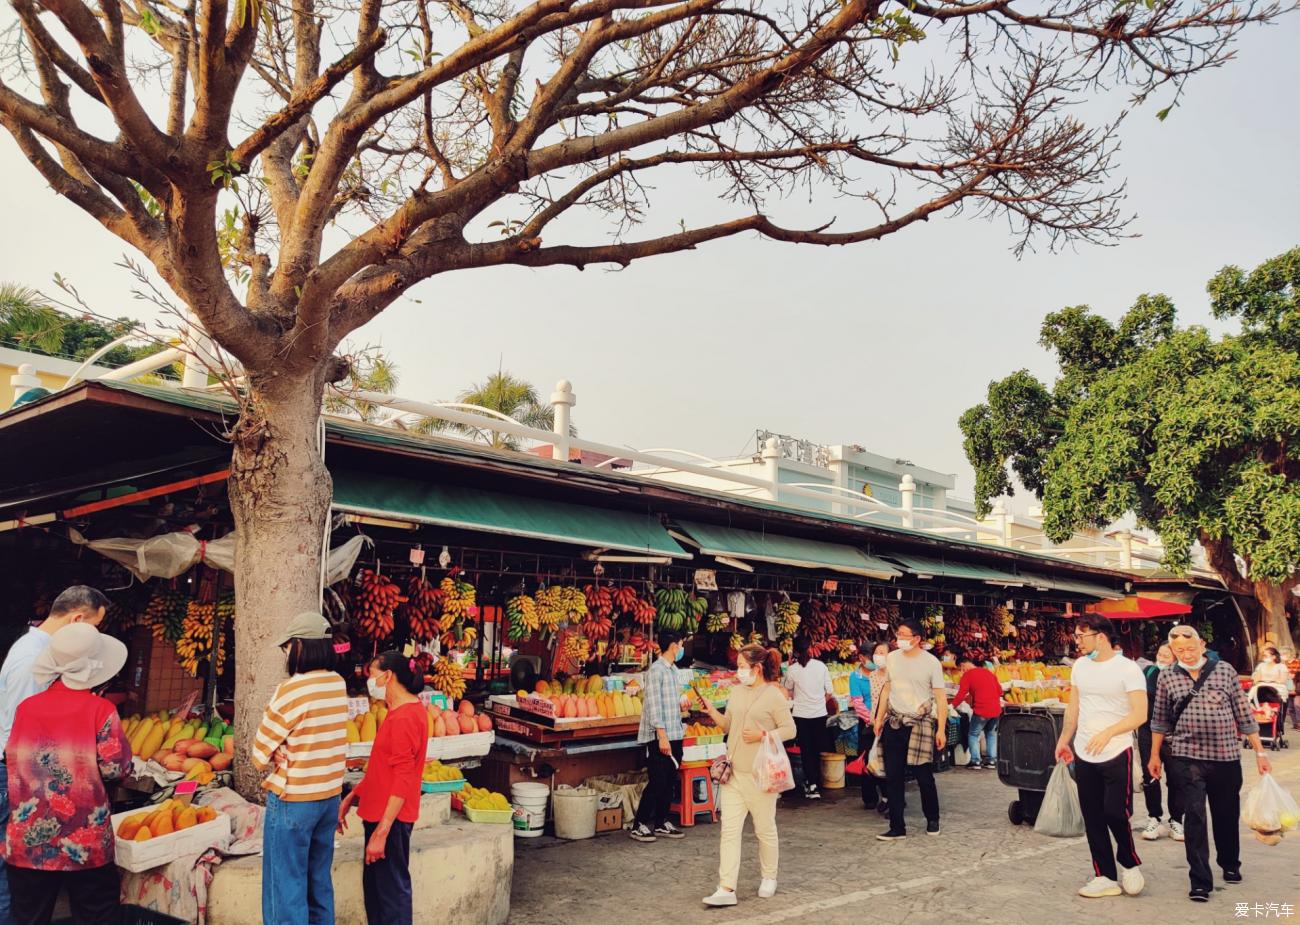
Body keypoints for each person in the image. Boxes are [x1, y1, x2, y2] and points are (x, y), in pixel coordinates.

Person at [5, 622, 129, 925]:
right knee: (95, 916)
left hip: (27, 840)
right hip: (85, 840)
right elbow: (116, 768)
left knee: (28, 918)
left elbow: (13, 758)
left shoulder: (27, 708)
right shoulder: (101, 710)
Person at [1150, 626, 1270, 903]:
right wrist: (1154, 756)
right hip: (1186, 756)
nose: (1186, 654)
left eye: (1191, 648)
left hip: (1226, 755)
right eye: (1179, 650)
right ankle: (1200, 880)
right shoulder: (1167, 676)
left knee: (1226, 813)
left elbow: (1244, 714)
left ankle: (1230, 863)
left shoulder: (1224, 670)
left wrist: (1260, 752)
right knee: (1194, 816)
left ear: (1202, 644)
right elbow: (1159, 720)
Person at [251, 613, 350, 925]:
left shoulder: (291, 689)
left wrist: (279, 748)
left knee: (286, 885)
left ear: (298, 647)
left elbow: (259, 749)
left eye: (287, 647)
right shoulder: (338, 684)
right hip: (329, 798)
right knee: (318, 881)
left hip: (294, 800)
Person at [1054, 613, 1147, 899]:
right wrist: (1064, 740)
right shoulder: (1080, 666)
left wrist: (1109, 732)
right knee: (1092, 816)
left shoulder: (1128, 669)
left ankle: (1129, 862)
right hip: (1083, 751)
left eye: (1081, 636)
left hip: (1116, 750)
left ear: (1101, 637)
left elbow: (1140, 714)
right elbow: (1074, 706)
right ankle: (1104, 875)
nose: (1077, 642)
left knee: (1115, 812)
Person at [694, 645, 796, 907]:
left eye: (741, 666)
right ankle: (726, 887)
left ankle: (769, 876)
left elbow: (790, 729)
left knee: (764, 829)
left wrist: (764, 735)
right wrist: (711, 712)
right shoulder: (736, 691)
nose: (738, 672)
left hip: (761, 774)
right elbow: (729, 725)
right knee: (729, 831)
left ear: (757, 668)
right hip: (734, 772)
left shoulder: (774, 695)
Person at [338, 651, 427, 925]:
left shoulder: (405, 718)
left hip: (392, 819)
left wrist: (382, 831)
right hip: (380, 814)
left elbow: (403, 777)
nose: (370, 681)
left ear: (388, 676)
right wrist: (353, 795)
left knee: (391, 896)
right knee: (377, 894)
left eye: (372, 675)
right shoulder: (399, 712)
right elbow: (382, 770)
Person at [873, 619, 947, 840]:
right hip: (894, 721)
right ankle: (897, 826)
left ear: (917, 639)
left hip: (920, 724)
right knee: (893, 776)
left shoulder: (931, 662)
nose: (900, 638)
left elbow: (941, 698)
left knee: (923, 774)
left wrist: (941, 729)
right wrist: (879, 718)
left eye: (905, 635)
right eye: (898, 634)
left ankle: (932, 818)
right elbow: (887, 689)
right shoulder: (892, 658)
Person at [629, 630, 688, 842]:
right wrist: (661, 736)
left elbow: (671, 700)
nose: (682, 648)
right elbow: (654, 706)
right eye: (681, 644)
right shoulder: (656, 671)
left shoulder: (673, 671)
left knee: (670, 780)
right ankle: (640, 824)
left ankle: (662, 821)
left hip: (675, 731)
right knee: (657, 781)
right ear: (673, 646)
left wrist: (683, 703)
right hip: (660, 736)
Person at [1138, 644, 1183, 842]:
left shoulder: (1181, 676)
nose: (1162, 657)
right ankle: (1154, 817)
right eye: (1160, 654)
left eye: (1167, 655)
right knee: (1150, 776)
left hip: (1174, 733)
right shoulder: (1148, 671)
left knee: (1176, 777)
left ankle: (1176, 820)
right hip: (1148, 730)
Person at [783, 636, 834, 800]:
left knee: (806, 750)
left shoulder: (792, 670)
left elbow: (787, 691)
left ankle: (812, 784)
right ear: (811, 648)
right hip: (819, 714)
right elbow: (830, 692)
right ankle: (817, 782)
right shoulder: (821, 667)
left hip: (800, 715)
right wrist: (820, 702)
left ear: (795, 651)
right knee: (817, 748)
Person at [951, 652, 1002, 770]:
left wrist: (951, 706)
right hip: (996, 710)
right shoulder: (988, 672)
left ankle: (975, 761)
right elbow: (1000, 691)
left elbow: (961, 694)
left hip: (981, 709)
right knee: (991, 734)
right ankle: (991, 761)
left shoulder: (967, 676)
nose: (961, 671)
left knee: (973, 734)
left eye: (960, 668)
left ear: (963, 665)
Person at [848, 643, 878, 808]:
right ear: (862, 658)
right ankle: (870, 798)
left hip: (884, 720)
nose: (874, 661)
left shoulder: (881, 673)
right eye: (871, 658)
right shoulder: (855, 677)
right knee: (866, 759)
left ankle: (889, 795)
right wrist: (871, 720)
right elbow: (858, 703)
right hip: (867, 723)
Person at [1252, 646, 1291, 729]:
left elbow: (1282, 680)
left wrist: (1265, 680)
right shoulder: (1261, 666)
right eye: (1263, 656)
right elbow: (1256, 679)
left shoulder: (1281, 666)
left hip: (1277, 689)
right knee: (1253, 693)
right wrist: (1269, 680)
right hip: (1261, 688)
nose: (1264, 658)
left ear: (1274, 656)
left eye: (1266, 656)